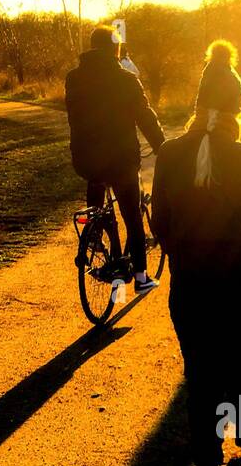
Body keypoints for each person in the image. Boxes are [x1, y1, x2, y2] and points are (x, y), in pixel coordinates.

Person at [151, 72, 241, 466]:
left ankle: (206, 452)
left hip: (191, 278)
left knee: (199, 367)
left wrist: (181, 246)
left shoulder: (169, 154)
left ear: (197, 105)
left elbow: (159, 222)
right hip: (239, 273)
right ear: (237, 110)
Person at [65, 25, 166, 293]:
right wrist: (161, 147)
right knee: (132, 215)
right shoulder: (127, 80)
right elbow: (146, 118)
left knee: (96, 178)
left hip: (84, 158)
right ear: (116, 49)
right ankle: (142, 278)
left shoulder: (73, 78)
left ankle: (95, 235)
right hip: (120, 160)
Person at [193, 39, 241, 117]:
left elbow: (202, 91)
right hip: (230, 112)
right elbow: (239, 97)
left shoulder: (211, 69)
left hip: (215, 112)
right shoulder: (232, 74)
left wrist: (198, 112)